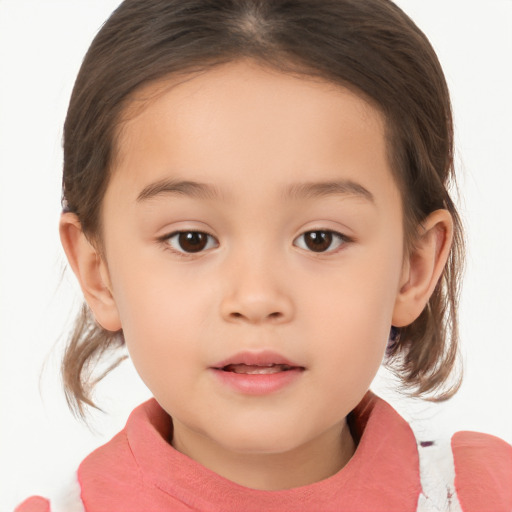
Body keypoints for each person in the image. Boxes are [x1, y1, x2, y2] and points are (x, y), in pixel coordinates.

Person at [14, 0, 511, 511]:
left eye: (320, 238)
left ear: (415, 268)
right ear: (99, 274)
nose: (256, 298)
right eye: (191, 239)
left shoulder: (489, 494)